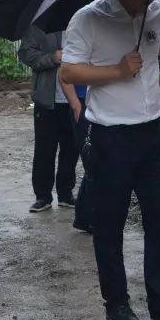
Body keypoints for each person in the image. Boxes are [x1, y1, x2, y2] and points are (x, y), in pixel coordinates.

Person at [60, 0, 160, 320]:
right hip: (110, 136)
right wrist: (117, 71)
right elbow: (69, 69)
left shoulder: (154, 11)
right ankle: (117, 302)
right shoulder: (88, 18)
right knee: (110, 223)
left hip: (153, 132)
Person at [18, 25, 82, 213]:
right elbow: (26, 54)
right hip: (47, 99)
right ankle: (43, 196)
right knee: (44, 149)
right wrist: (52, 58)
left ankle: (65, 193)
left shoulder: (80, 23)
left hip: (75, 98)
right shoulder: (37, 25)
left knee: (71, 148)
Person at [71, 83, 94, 234]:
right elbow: (64, 76)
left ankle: (85, 218)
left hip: (100, 103)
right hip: (84, 102)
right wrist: (75, 105)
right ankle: (90, 218)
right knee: (93, 163)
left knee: (95, 164)